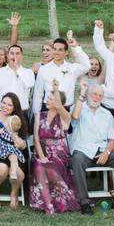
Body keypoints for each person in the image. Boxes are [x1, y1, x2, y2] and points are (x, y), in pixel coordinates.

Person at [69, 83, 114, 214]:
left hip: (102, 151)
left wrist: (107, 152)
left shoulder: (107, 114)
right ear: (88, 94)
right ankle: (84, 201)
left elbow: (112, 139)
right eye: (94, 94)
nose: (97, 97)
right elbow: (74, 117)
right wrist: (81, 94)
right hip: (83, 150)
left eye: (100, 95)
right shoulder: (78, 108)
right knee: (76, 159)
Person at [29, 82, 79, 214]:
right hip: (41, 151)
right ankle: (48, 205)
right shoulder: (39, 115)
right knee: (39, 166)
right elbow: (36, 139)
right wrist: (42, 156)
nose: (47, 100)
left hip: (59, 154)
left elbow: (58, 105)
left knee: (51, 170)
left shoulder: (64, 118)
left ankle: (58, 201)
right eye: (47, 97)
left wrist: (56, 90)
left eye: (50, 98)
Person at [0, 92, 28, 208]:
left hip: (13, 153)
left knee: (17, 172)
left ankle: (14, 193)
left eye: (9, 105)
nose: (5, 106)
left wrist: (16, 138)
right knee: (1, 168)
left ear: (14, 108)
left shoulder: (17, 120)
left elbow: (23, 145)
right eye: (3, 103)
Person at [31, 31, 90, 115]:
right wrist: (37, 114)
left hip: (66, 109)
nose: (56, 52)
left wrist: (76, 47)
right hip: (47, 109)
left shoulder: (72, 68)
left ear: (66, 53)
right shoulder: (43, 69)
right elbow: (38, 94)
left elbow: (87, 66)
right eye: (54, 49)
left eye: (60, 50)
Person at [0, 44, 35, 116]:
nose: (14, 56)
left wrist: (17, 69)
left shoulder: (28, 72)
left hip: (21, 112)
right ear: (8, 55)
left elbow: (29, 84)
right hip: (1, 112)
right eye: (12, 53)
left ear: (21, 56)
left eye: (17, 53)